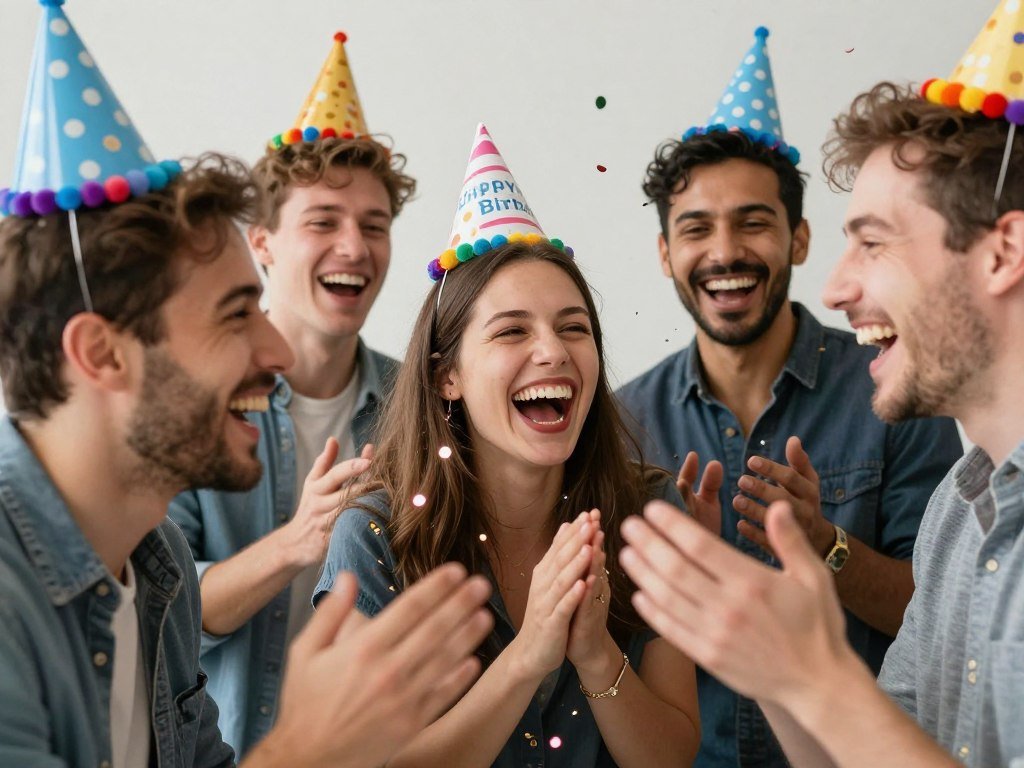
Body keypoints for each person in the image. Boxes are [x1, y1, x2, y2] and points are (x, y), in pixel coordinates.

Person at [0, 6, 491, 766]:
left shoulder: (156, 563)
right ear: (101, 353)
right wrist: (304, 750)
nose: (273, 347)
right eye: (238, 314)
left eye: (375, 223)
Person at [618, 35, 1024, 768]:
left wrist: (816, 619)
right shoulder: (959, 511)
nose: (837, 291)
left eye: (873, 243)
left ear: (1002, 254)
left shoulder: (891, 406)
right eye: (695, 228)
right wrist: (772, 662)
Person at [315, 124, 701, 767]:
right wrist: (531, 653)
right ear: (448, 376)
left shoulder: (649, 513)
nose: (553, 350)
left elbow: (671, 758)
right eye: (511, 331)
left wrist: (595, 651)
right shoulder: (375, 537)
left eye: (573, 327)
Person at [167, 31, 415, 755]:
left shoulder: (417, 403)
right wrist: (295, 543)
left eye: (375, 225)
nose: (355, 247)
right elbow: (164, 610)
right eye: (323, 222)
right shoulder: (192, 403)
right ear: (264, 241)